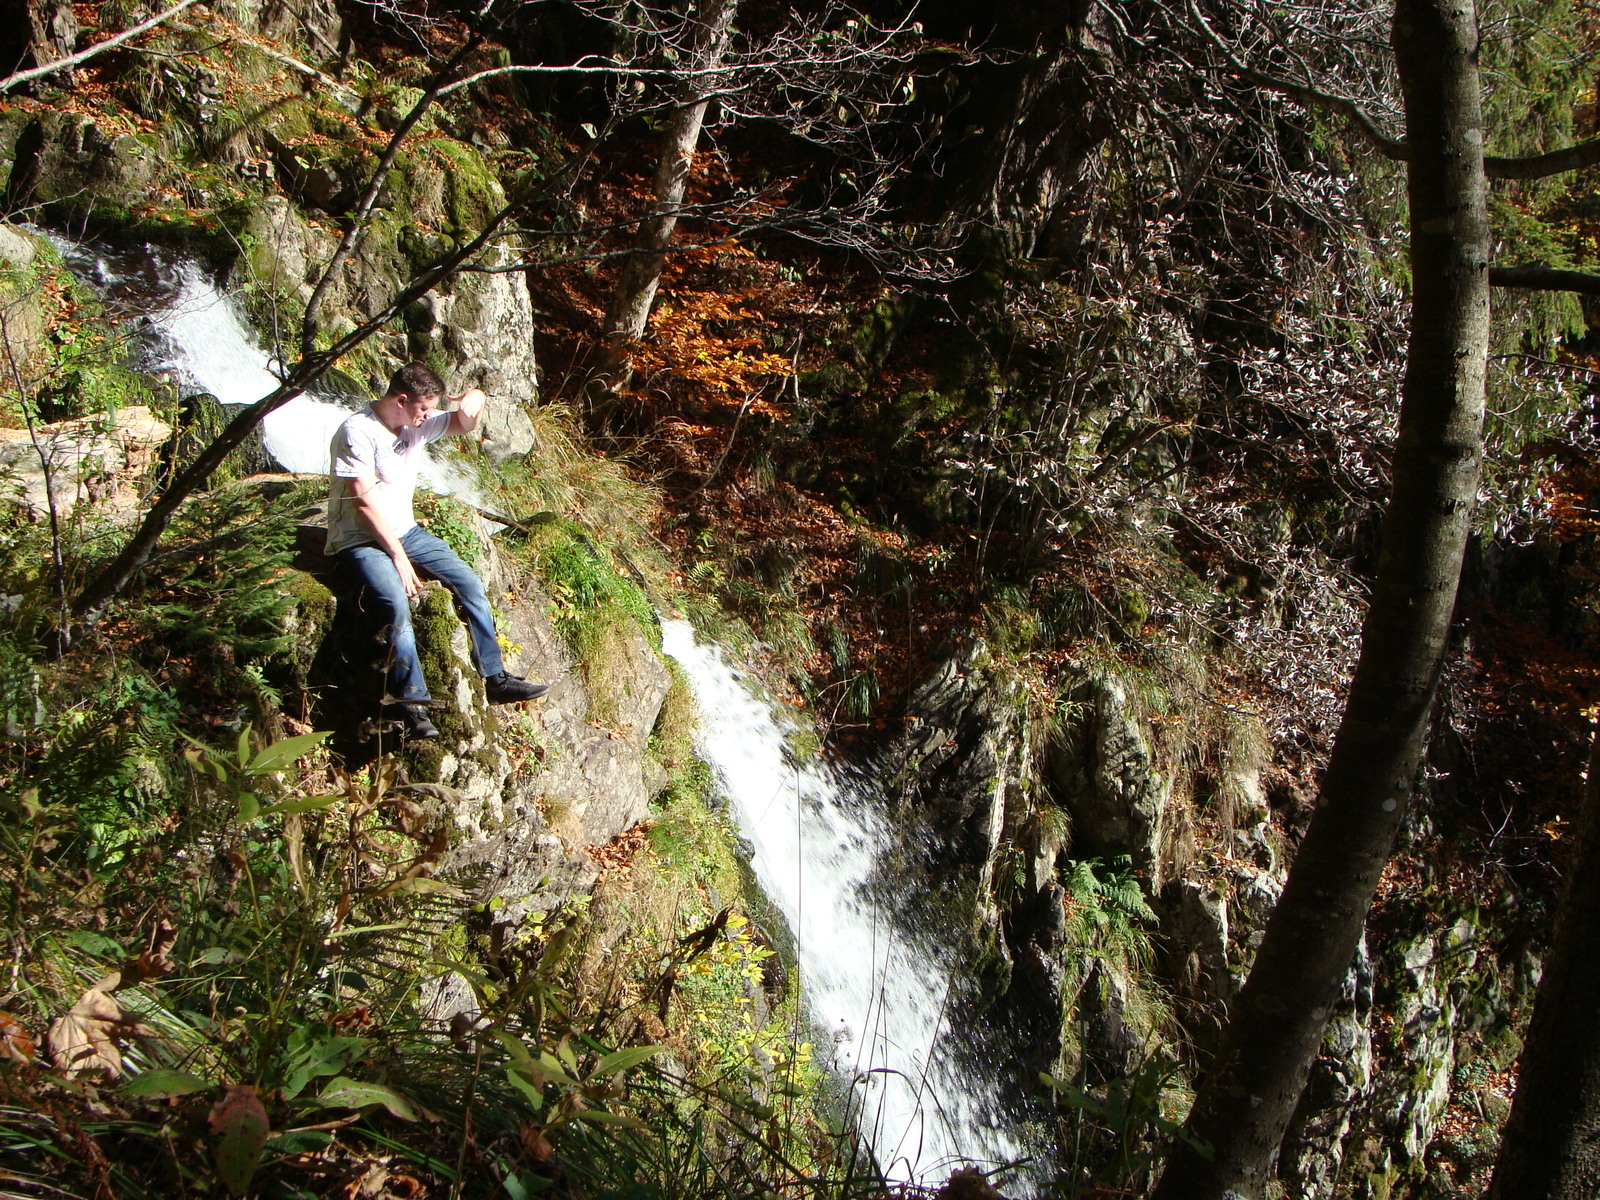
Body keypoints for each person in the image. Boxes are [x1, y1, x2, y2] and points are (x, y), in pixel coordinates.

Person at [325, 363, 546, 740]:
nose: (429, 417)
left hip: (407, 532)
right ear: (401, 400)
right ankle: (411, 705)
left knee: (469, 582)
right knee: (396, 603)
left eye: (431, 410)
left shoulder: (416, 423)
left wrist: (475, 398)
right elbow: (362, 502)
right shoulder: (357, 431)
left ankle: (494, 677)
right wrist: (396, 555)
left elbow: (465, 422)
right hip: (360, 539)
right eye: (424, 409)